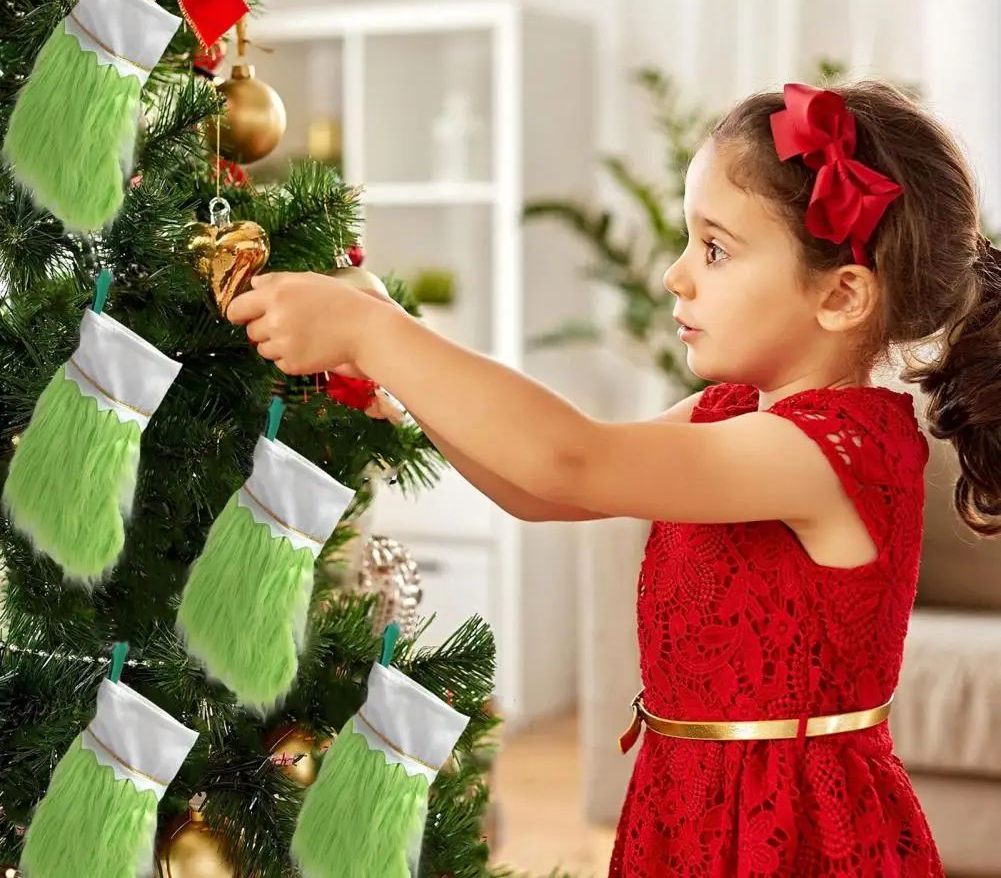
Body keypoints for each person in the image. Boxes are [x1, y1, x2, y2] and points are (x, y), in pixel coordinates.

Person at [228, 80, 1001, 876]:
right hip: (686, 802)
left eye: (714, 248)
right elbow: (540, 490)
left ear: (839, 294)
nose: (676, 275)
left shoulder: (830, 452)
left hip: (791, 833)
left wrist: (375, 331)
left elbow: (572, 455)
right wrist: (391, 365)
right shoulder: (727, 411)